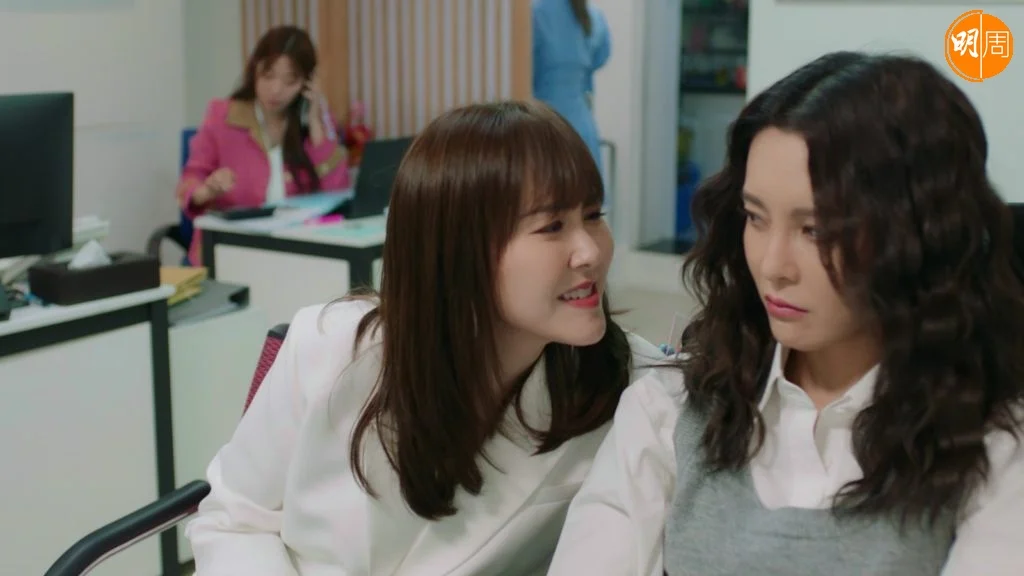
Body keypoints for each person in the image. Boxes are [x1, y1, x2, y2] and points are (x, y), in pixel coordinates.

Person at [547, 52, 1024, 575]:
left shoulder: (995, 444)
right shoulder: (667, 406)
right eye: (756, 218)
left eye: (815, 230)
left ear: (918, 235)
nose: (773, 266)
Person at [185, 100, 668, 575]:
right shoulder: (328, 348)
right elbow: (234, 521)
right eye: (552, 227)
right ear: (461, 248)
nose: (590, 252)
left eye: (594, 214)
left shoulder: (629, 386)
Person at [175, 25, 349, 265]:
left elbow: (337, 198)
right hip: (231, 252)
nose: (276, 89)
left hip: (296, 254)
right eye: (268, 76)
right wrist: (206, 191)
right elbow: (190, 181)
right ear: (254, 69)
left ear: (306, 83)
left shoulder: (313, 124)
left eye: (290, 81)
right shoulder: (223, 116)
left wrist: (316, 125)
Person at [532, 0, 611, 177]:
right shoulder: (593, 16)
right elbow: (599, 58)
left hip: (546, 127)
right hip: (583, 130)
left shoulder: (534, 13)